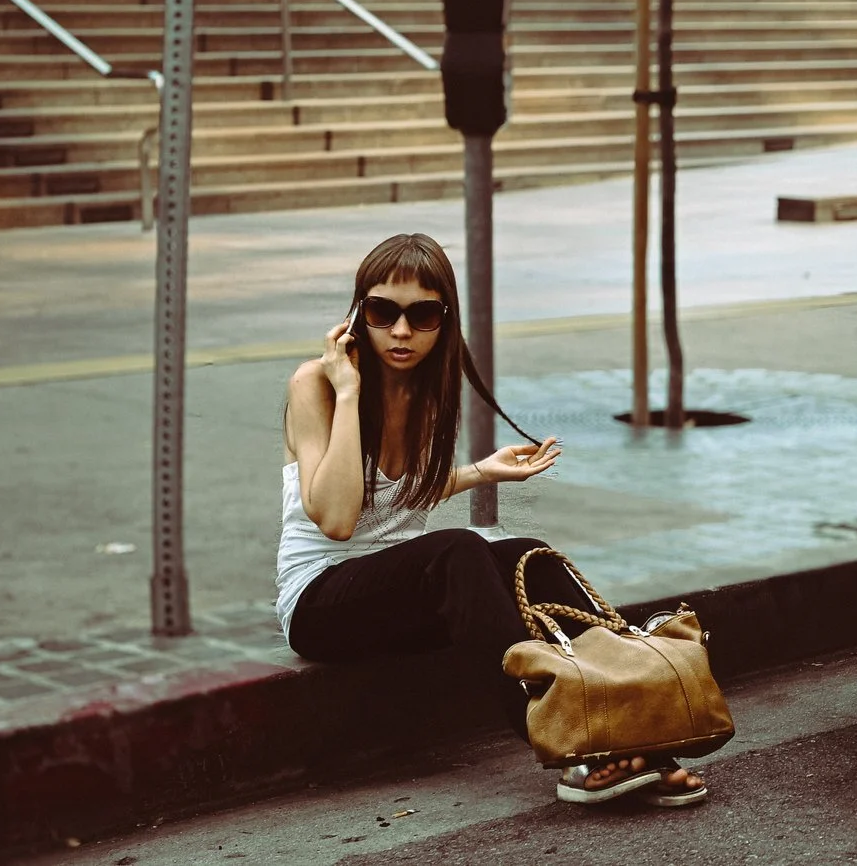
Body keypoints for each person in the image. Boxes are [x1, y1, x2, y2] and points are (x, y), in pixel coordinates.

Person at [277, 232, 707, 807]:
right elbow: (336, 518)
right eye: (383, 312)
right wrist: (350, 392)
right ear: (359, 314)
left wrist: (481, 471)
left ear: (443, 320)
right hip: (321, 603)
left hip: (399, 595)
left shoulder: (428, 388)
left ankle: (639, 733)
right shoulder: (319, 385)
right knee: (458, 549)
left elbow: (398, 498)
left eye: (422, 315)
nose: (401, 332)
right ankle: (573, 746)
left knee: (528, 555)